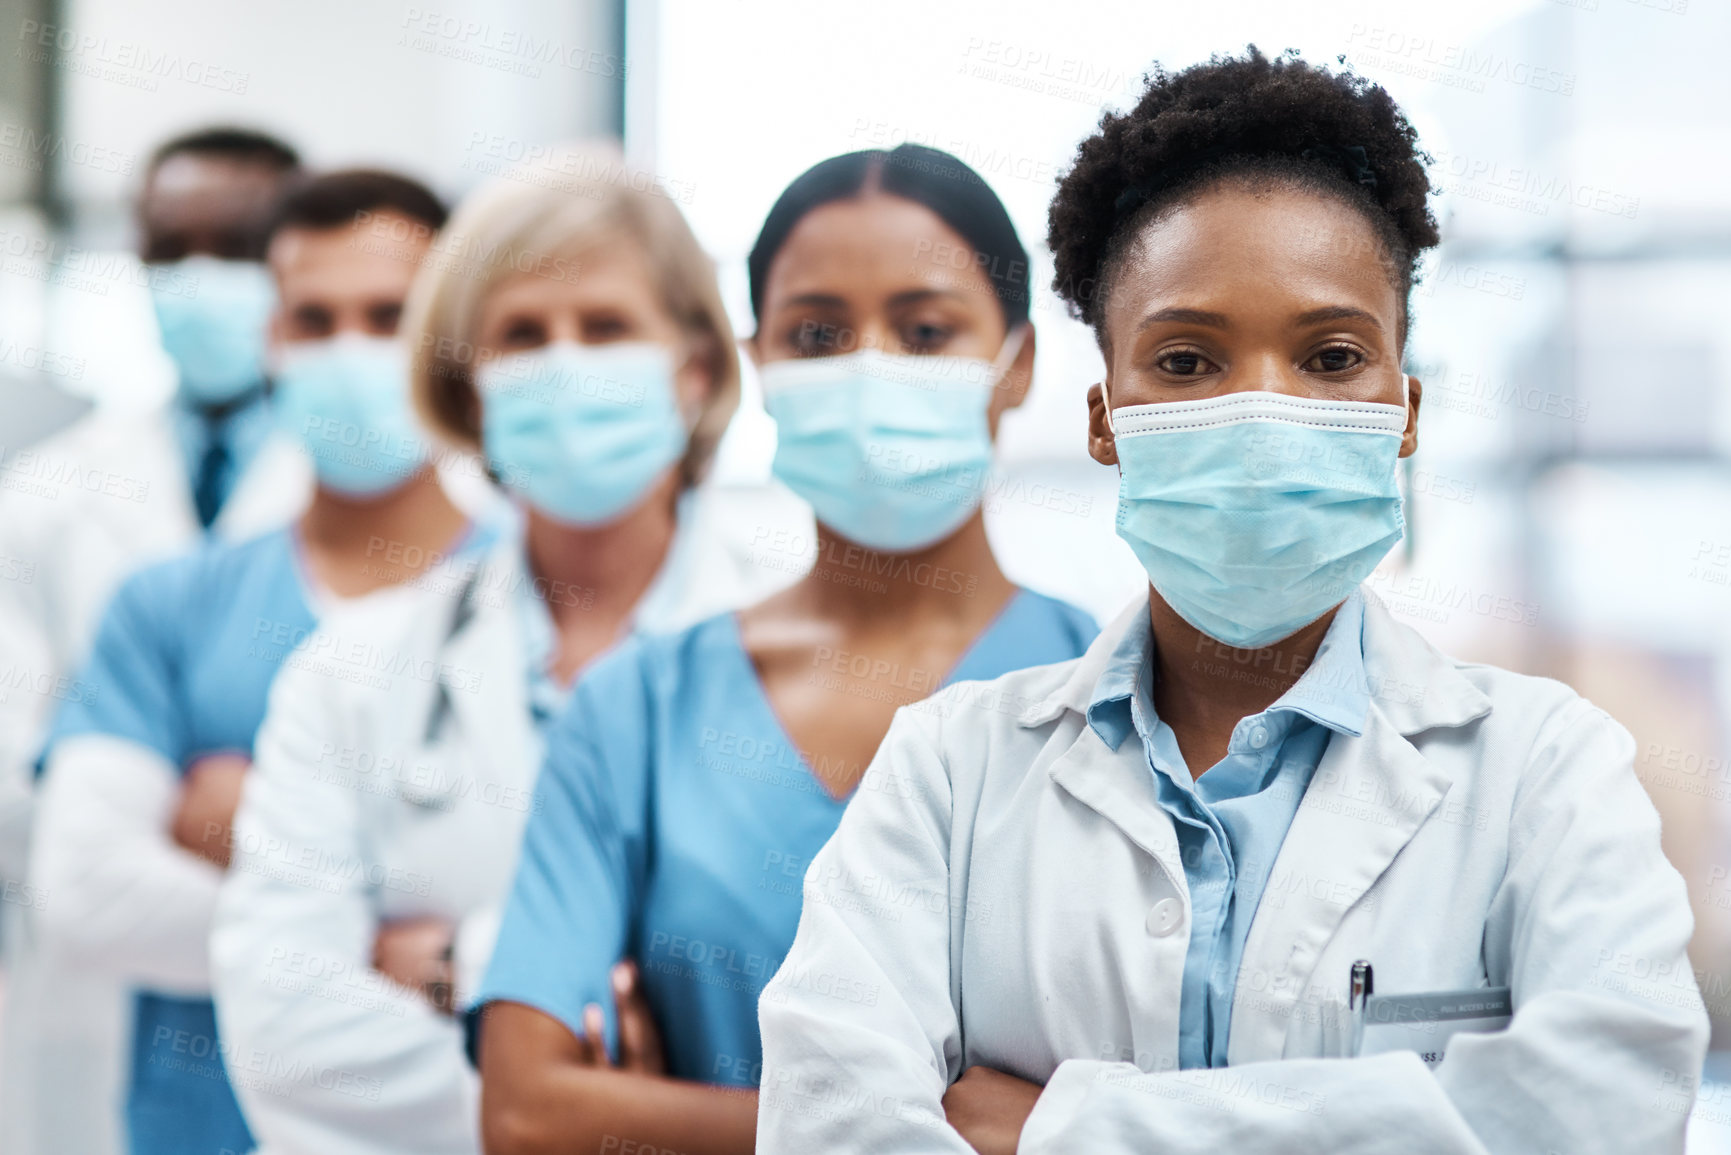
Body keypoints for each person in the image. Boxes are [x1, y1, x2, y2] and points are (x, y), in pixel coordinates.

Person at [755, 49, 1710, 1154]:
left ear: (1404, 411)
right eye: (1189, 359)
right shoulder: (946, 774)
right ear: (1106, 419)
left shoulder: (1547, 771)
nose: (1262, 407)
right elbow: (829, 1126)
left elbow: (1606, 1112)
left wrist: (1066, 1127)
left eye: (1333, 354)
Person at [472, 144, 1098, 1155]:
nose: (870, 365)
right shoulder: (638, 707)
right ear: (758, 363)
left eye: (926, 329)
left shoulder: (1110, 694)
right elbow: (528, 1114)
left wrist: (663, 1119)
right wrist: (947, 1128)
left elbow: (1174, 1094)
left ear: (1017, 362)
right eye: (818, 333)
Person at [208, 144, 806, 1155]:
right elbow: (284, 1032)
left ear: (694, 368)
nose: (564, 362)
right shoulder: (350, 669)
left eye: (607, 326)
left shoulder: (800, 648)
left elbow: (841, 1022)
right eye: (522, 336)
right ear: (471, 388)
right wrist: (584, 1104)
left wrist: (448, 967)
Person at [31, 168, 495, 1155]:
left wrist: (253, 838)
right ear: (271, 338)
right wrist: (386, 944)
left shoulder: (530, 600)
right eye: (313, 319)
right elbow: (87, 895)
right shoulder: (171, 604)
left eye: (389, 316)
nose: (349, 351)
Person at [0, 126, 305, 1155]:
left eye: (238, 247)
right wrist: (192, 817)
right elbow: (15, 775)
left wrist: (161, 794)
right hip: (98, 984)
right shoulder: (43, 500)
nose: (200, 279)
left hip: (318, 1009)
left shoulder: (385, 500)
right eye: (170, 251)